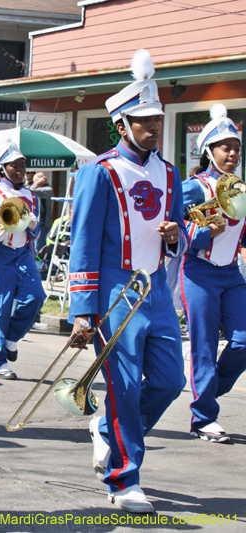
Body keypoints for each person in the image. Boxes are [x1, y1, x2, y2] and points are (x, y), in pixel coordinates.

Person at [70, 49, 187, 514]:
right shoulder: (99, 172)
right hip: (115, 291)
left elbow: (178, 232)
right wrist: (82, 308)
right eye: (143, 120)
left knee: (168, 381)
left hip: (156, 290)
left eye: (157, 118)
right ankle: (124, 479)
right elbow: (81, 243)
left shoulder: (172, 173)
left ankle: (105, 431)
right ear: (121, 125)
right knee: (124, 387)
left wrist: (177, 237)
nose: (154, 126)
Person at [180, 103, 246, 444]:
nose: (233, 153)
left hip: (232, 273)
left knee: (243, 341)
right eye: (226, 148)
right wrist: (208, 231)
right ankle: (204, 417)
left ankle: (207, 393)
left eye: (236, 147)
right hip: (199, 272)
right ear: (209, 151)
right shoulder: (194, 188)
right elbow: (174, 231)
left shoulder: (241, 189)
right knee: (203, 346)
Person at [0, 135, 46, 380]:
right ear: (2, 168)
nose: (20, 170)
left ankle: (11, 338)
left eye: (22, 166)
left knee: (35, 297)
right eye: (14, 166)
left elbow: (37, 232)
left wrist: (31, 224)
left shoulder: (32, 196)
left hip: (22, 253)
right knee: (0, 308)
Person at [25, 171, 54, 252]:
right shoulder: (32, 187)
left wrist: (36, 183)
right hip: (33, 223)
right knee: (32, 249)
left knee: (39, 249)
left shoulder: (48, 189)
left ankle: (41, 265)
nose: (26, 174)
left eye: (28, 172)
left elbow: (31, 191)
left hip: (42, 223)